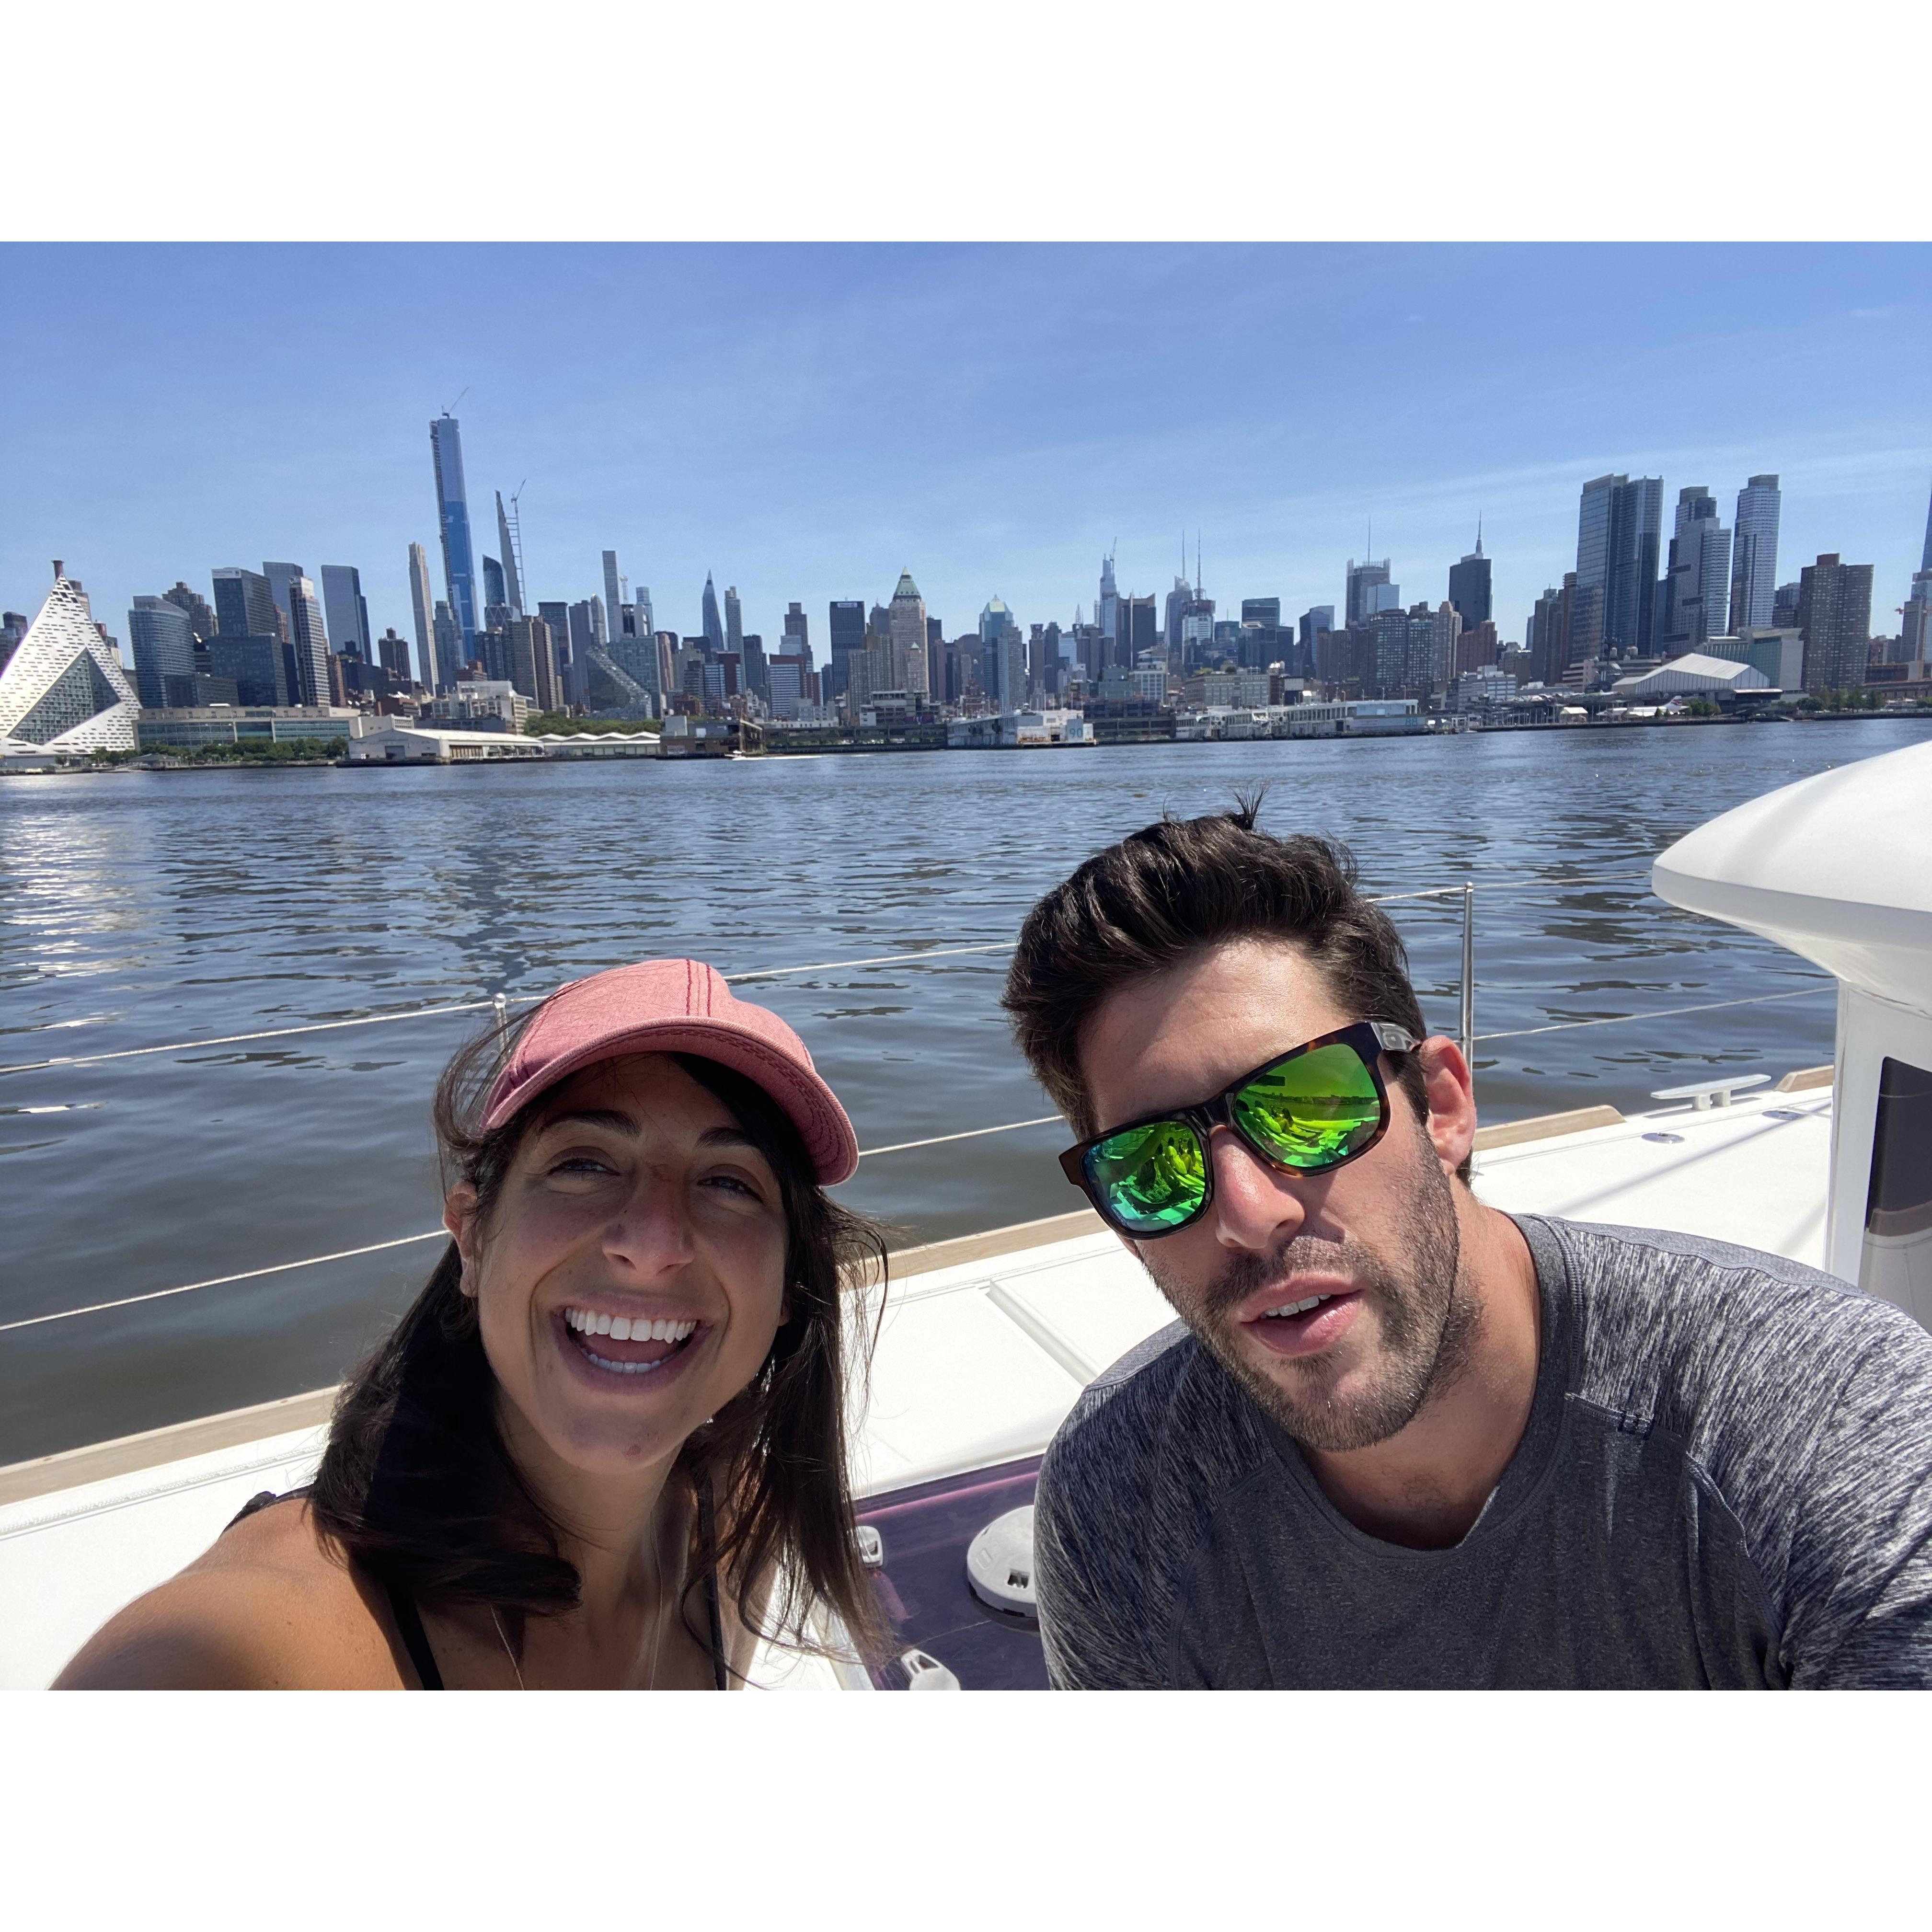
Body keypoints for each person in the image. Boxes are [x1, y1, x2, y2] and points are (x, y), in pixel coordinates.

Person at [1001, 804, 1932, 1688]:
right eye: (1150, 1166)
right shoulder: (1123, 1502)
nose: (1248, 1215)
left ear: (1442, 1108)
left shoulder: (1827, 1424)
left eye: (1307, 1107)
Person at [58, 959, 886, 1689]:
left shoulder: (739, 1530)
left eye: (729, 1182)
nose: (652, 1243)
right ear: (474, 1237)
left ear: (791, 1283)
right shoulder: (233, 1657)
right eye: (585, 1163)